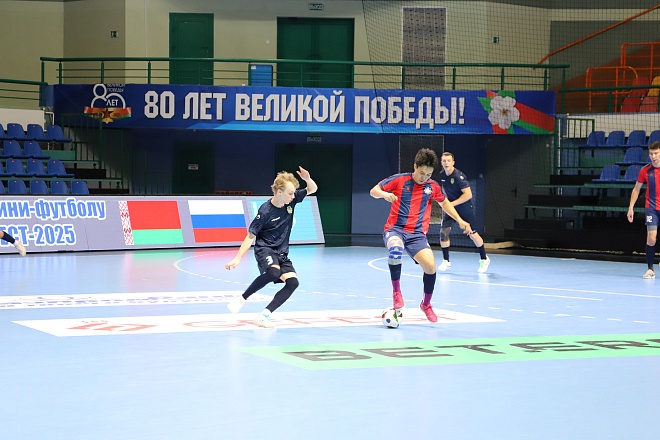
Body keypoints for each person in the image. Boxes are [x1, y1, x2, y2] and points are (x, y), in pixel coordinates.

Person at [370, 148, 471, 322]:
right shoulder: (400, 180)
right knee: (395, 250)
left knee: (430, 266)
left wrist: (460, 220)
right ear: (415, 166)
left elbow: (445, 203)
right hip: (395, 229)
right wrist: (384, 194)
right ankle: (397, 293)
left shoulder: (432, 186)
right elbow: (374, 190)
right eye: (422, 173)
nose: (424, 177)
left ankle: (426, 304)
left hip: (417, 235)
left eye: (428, 174)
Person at [225, 166, 318, 327]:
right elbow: (250, 236)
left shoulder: (292, 201)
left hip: (282, 252)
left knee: (293, 283)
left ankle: (264, 316)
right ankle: (241, 299)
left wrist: (307, 179)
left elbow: (313, 189)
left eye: (293, 193)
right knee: (273, 272)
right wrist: (237, 258)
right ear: (279, 192)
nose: (293, 196)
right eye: (290, 193)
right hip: (265, 249)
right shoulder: (265, 211)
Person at [437, 152, 490, 273]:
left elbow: (468, 195)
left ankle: (484, 259)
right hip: (451, 208)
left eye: (448, 161)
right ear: (441, 163)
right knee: (444, 232)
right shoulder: (442, 174)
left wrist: (451, 204)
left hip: (464, 208)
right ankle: (446, 261)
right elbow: (444, 188)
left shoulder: (458, 176)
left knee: (472, 234)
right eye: (444, 161)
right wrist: (446, 202)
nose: (446, 163)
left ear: (453, 162)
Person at [627, 141, 660, 279]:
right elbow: (636, 189)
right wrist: (631, 208)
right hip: (652, 209)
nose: (653, 156)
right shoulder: (645, 170)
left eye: (656, 153)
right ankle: (650, 269)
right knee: (651, 238)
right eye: (651, 154)